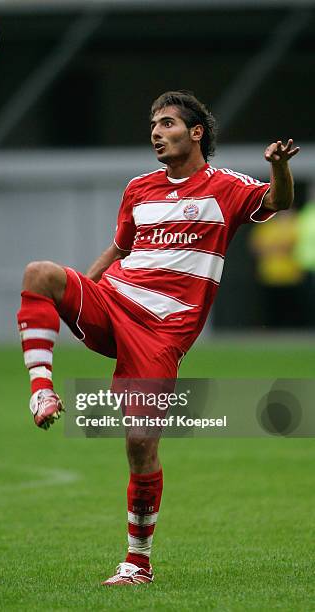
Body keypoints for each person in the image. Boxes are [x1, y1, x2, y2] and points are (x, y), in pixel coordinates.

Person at [17, 91, 299, 585]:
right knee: (40, 274)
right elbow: (119, 248)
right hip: (115, 302)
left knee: (141, 442)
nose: (155, 132)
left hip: (162, 333)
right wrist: (81, 289)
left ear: (195, 134)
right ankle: (42, 391)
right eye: (152, 124)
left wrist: (277, 167)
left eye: (166, 123)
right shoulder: (139, 188)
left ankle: (137, 561)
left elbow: (278, 201)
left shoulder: (226, 188)